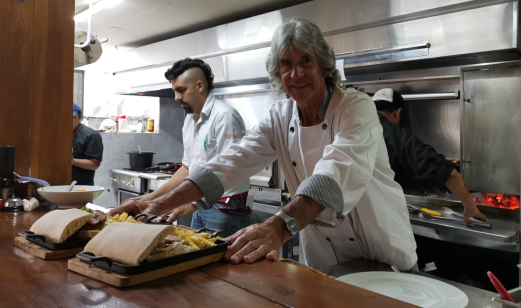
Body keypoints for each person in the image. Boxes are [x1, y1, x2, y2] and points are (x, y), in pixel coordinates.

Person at [110, 18, 417, 271]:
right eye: (286, 63)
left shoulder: (355, 106)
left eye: (305, 61)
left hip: (383, 251)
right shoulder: (280, 116)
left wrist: (277, 228)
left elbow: (333, 175)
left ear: (323, 64)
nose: (295, 74)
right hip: (327, 260)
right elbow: (230, 163)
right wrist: (156, 203)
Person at [120, 58, 252, 238]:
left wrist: (191, 204)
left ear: (199, 86)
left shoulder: (224, 116)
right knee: (198, 254)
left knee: (220, 261)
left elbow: (231, 170)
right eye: (174, 91)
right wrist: (149, 199)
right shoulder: (189, 120)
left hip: (224, 207)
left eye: (181, 90)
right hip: (199, 203)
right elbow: (187, 168)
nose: (176, 97)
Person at [372, 88, 487, 225]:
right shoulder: (396, 136)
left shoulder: (348, 127)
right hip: (379, 221)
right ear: (398, 113)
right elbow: (448, 174)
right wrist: (470, 206)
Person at [72, 103, 103, 186]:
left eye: (71, 118)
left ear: (80, 117)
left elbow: (94, 164)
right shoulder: (58, 134)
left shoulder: (91, 135)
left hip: (81, 187)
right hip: (59, 186)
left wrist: (72, 161)